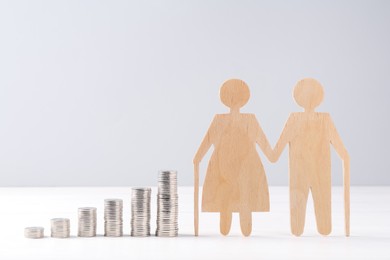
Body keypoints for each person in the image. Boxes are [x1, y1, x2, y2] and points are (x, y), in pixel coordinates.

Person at [193, 79, 274, 236]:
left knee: (231, 197)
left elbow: (205, 144)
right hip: (238, 167)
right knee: (238, 197)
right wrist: (274, 154)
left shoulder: (224, 120)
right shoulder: (245, 119)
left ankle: (232, 226)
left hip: (231, 166)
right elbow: (265, 146)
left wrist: (197, 158)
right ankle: (240, 227)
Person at [271, 78, 350, 236]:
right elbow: (342, 151)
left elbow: (276, 152)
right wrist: (345, 159)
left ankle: (304, 230)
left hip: (301, 173)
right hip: (317, 173)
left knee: (300, 216)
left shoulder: (295, 119)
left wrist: (267, 152)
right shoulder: (323, 119)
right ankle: (320, 229)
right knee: (322, 214)